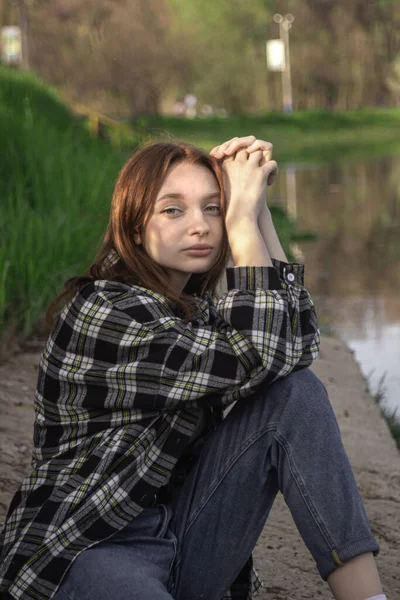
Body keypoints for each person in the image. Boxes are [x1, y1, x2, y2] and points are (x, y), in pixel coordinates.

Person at [0, 135, 386, 600]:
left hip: (181, 538)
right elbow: (260, 351)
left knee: (294, 395)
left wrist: (258, 211)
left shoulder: (191, 311)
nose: (200, 226)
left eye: (213, 208)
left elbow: (296, 345)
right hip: (91, 544)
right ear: (136, 227)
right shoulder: (105, 311)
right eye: (173, 210)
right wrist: (240, 220)